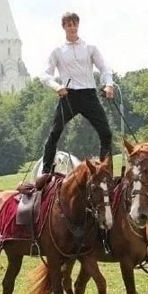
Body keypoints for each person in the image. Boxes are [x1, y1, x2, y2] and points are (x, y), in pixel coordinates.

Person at [40, 12, 114, 175]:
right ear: (64, 27)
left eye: (74, 24)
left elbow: (104, 68)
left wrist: (108, 85)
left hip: (89, 95)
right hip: (69, 96)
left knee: (106, 133)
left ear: (78, 25)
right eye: (68, 24)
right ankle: (45, 172)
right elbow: (45, 75)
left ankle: (105, 170)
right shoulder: (58, 51)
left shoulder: (90, 48)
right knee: (54, 133)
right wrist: (56, 87)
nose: (72, 27)